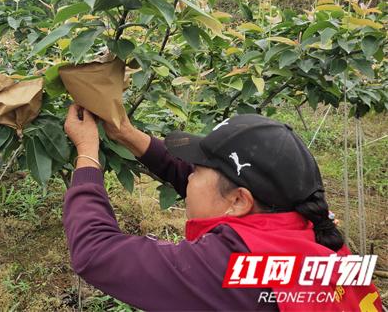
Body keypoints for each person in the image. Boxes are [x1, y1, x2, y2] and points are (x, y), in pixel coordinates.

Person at [63, 106, 382, 311]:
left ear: (240, 201)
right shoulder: (311, 227)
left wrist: (88, 153)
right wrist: (128, 135)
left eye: (198, 170)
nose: (189, 174)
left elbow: (95, 252)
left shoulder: (233, 271)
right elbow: (198, 182)